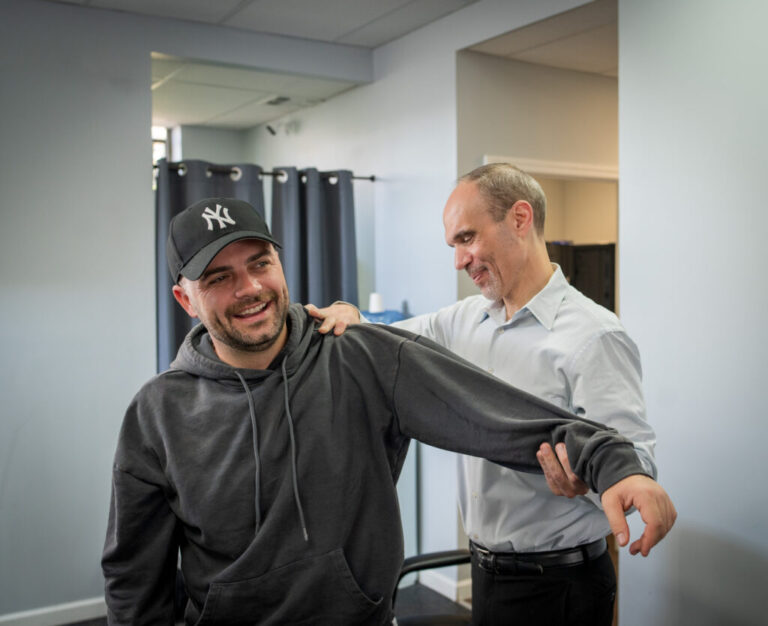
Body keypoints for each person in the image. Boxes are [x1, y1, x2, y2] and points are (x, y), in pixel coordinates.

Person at [102, 197, 675, 625]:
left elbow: (492, 413)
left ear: (279, 262)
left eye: (260, 264)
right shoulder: (157, 412)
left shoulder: (359, 357)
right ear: (185, 299)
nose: (250, 288)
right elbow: (135, 578)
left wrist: (612, 462)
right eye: (219, 278)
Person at [310, 163, 671, 626]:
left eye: (466, 238)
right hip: (486, 575)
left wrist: (587, 486)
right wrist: (348, 313)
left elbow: (635, 462)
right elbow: (383, 343)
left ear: (520, 219)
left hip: (560, 586)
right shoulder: (460, 321)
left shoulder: (594, 335)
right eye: (454, 245)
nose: (459, 261)